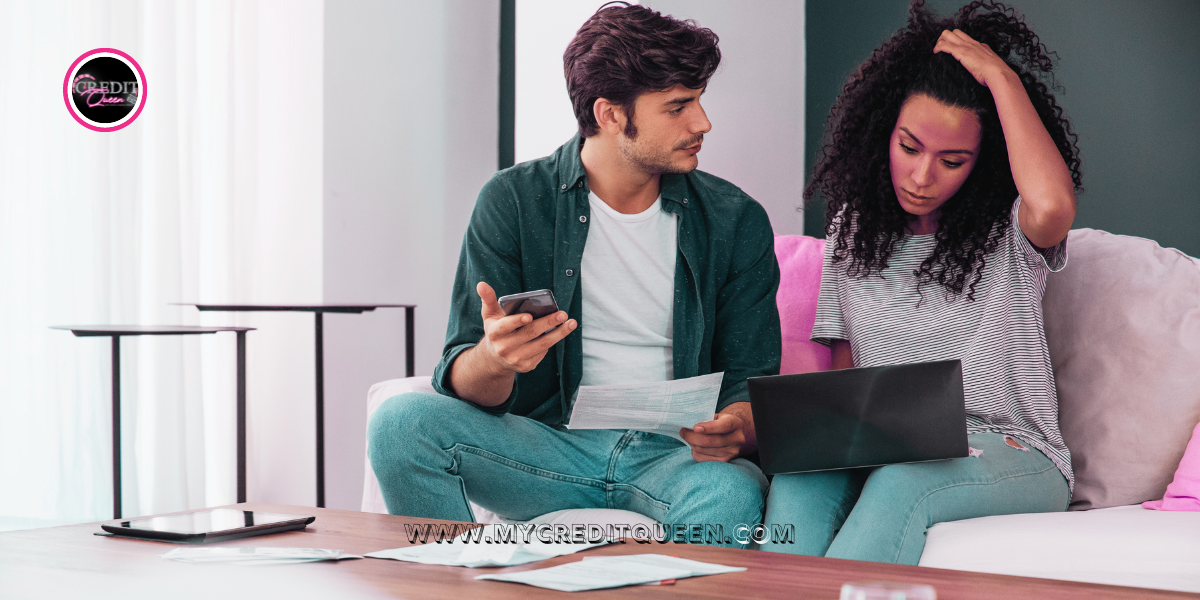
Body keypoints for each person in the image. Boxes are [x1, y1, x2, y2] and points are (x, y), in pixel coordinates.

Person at [368, 3, 781, 547]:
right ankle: (451, 580)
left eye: (699, 101)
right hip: (546, 445)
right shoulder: (514, 201)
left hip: (675, 458)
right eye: (678, 106)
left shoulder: (734, 219)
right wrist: (495, 360)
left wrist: (737, 426)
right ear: (610, 114)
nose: (702, 123)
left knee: (731, 495)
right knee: (402, 424)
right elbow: (463, 376)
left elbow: (753, 380)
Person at [762, 0, 1082, 564]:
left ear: (981, 162)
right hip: (887, 445)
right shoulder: (852, 230)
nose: (921, 175)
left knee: (904, 482)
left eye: (952, 160)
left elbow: (1053, 202)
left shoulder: (1010, 233)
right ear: (884, 129)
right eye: (909, 147)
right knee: (798, 478)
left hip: (1011, 449)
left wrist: (1001, 78)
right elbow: (846, 386)